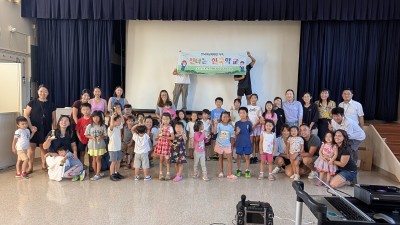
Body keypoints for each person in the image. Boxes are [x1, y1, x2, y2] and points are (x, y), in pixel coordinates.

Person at [24, 84, 56, 173]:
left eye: (45, 91)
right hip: (34, 129)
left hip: (46, 129)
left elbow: (54, 119)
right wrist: (31, 127)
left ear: (48, 93)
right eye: (41, 91)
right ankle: (30, 167)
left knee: (44, 148)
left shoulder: (51, 104)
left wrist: (54, 130)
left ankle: (44, 165)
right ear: (38, 92)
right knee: (31, 148)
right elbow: (26, 115)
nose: (43, 93)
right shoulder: (32, 102)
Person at [212, 111, 236, 179]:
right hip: (219, 144)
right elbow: (214, 132)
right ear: (221, 117)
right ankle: (221, 172)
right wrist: (215, 124)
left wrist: (231, 145)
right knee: (220, 158)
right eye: (224, 116)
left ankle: (229, 174)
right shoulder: (219, 125)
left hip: (227, 145)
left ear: (229, 118)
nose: (225, 118)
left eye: (227, 117)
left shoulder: (230, 127)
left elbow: (232, 136)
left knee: (229, 159)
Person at [84, 111, 107, 181]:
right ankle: (96, 173)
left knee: (98, 159)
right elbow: (86, 135)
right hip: (92, 145)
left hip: (100, 145)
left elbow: (105, 134)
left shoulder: (103, 126)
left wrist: (101, 136)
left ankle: (97, 174)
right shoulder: (90, 126)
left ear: (100, 117)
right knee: (94, 159)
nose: (95, 119)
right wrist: (92, 137)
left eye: (97, 117)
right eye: (94, 117)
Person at [154, 113, 174, 180]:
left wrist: (165, 137)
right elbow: (158, 135)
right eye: (164, 119)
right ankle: (161, 174)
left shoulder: (170, 128)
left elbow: (172, 137)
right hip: (161, 145)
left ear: (170, 120)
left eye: (167, 119)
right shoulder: (161, 127)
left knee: (167, 160)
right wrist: (160, 129)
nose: (165, 121)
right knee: (161, 160)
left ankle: (168, 174)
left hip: (166, 146)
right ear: (161, 120)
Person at [234, 107, 252, 178]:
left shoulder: (249, 123)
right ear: (238, 114)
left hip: (247, 143)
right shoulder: (237, 123)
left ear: (246, 113)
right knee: (238, 157)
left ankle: (247, 170)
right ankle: (239, 170)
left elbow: (250, 132)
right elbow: (235, 133)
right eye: (240, 113)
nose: (242, 114)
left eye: (244, 113)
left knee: (247, 157)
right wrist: (237, 132)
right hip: (239, 143)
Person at [75, 103, 92, 169]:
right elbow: (77, 131)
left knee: (90, 153)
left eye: (87, 109)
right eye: (84, 109)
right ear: (81, 111)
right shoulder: (80, 120)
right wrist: (80, 139)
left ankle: (91, 166)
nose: (86, 111)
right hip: (82, 139)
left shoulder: (92, 119)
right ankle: (82, 165)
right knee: (82, 153)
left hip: (91, 139)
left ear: (90, 110)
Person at [108, 113, 124, 181]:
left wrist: (120, 114)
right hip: (113, 148)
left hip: (118, 148)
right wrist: (112, 117)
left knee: (118, 161)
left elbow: (123, 122)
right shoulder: (110, 128)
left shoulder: (118, 127)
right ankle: (112, 174)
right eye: (118, 121)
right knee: (113, 161)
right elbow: (111, 125)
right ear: (113, 122)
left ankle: (116, 172)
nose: (120, 122)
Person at [247, 94, 263, 163]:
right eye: (252, 98)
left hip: (257, 127)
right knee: (251, 142)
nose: (253, 99)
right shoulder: (247, 107)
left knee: (257, 141)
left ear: (257, 99)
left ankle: (256, 156)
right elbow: (246, 117)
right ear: (250, 99)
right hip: (250, 127)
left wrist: (255, 125)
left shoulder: (259, 107)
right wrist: (251, 125)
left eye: (255, 98)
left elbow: (260, 118)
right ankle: (251, 156)